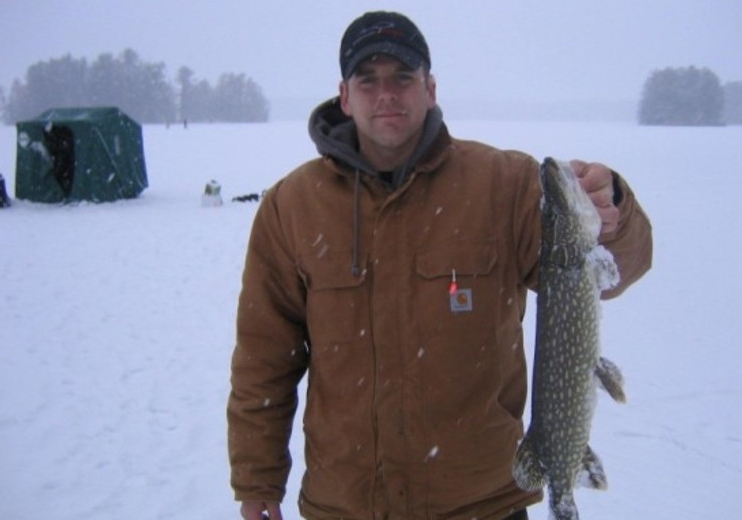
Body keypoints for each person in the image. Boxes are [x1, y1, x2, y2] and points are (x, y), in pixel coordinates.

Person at [227, 10, 652, 520]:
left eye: (403, 78)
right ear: (345, 95)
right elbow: (263, 360)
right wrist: (257, 483)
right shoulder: (291, 206)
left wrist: (613, 211)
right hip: (345, 507)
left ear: (430, 88)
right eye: (368, 80)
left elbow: (615, 270)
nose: (387, 93)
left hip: (483, 504)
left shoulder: (505, 183)